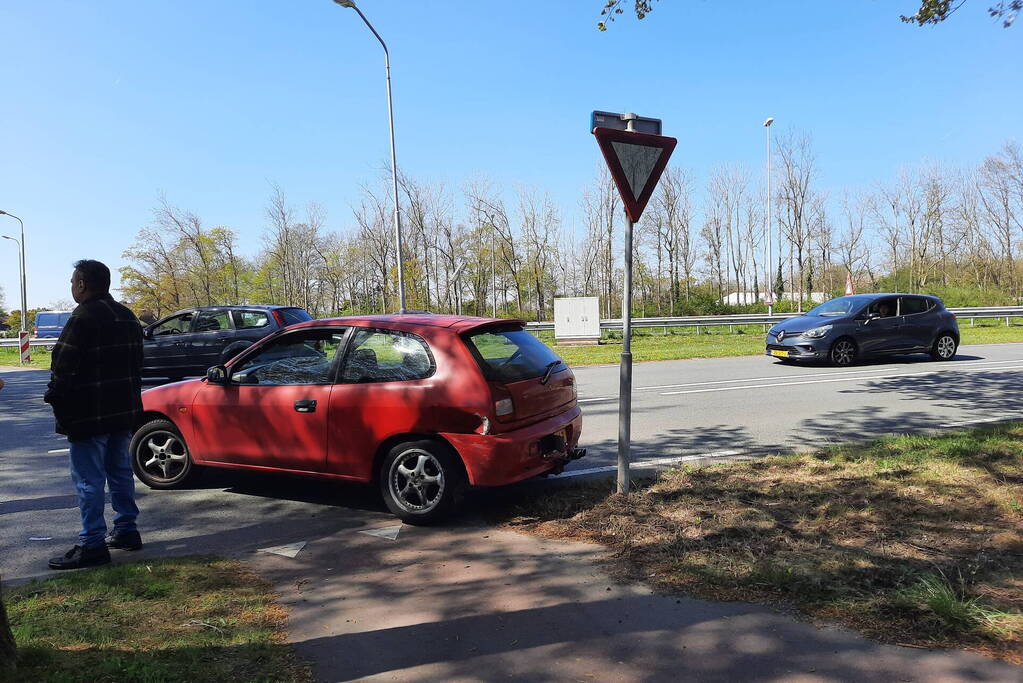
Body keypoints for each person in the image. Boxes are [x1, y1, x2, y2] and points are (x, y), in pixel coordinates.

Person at [44, 260, 144, 570]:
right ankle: (127, 531)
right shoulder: (128, 316)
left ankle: (92, 544)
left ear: (83, 284)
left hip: (89, 414)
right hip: (123, 411)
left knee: (88, 480)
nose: (72, 286)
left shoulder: (83, 317)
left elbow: (63, 365)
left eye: (73, 280)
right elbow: (137, 366)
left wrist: (55, 398)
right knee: (120, 473)